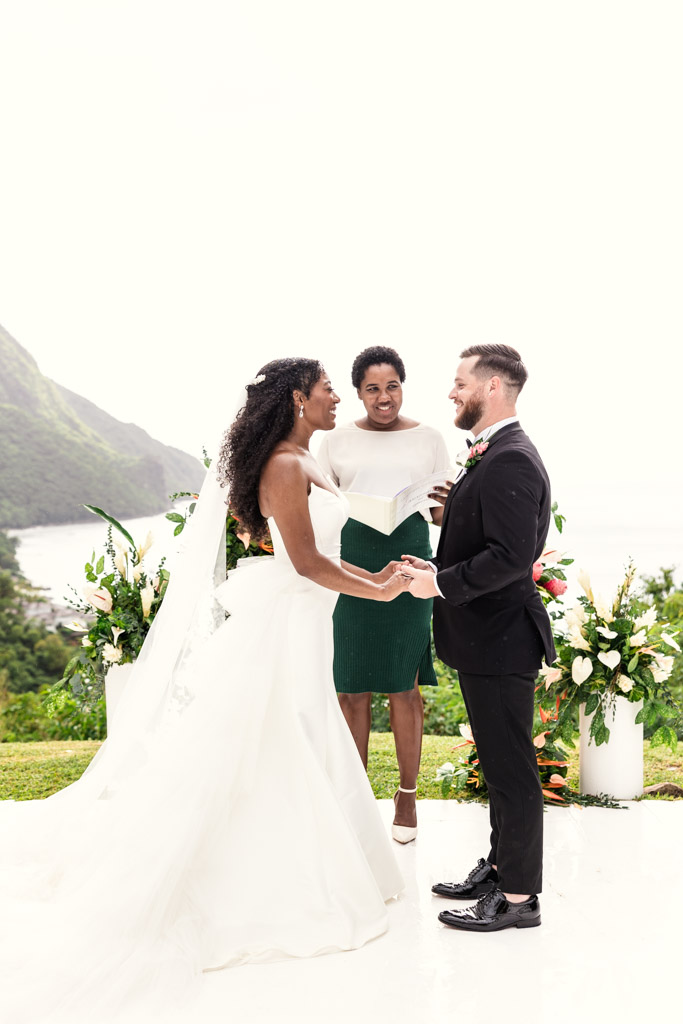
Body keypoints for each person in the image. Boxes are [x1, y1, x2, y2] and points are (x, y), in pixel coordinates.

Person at [0, 358, 408, 1022]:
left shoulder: (309, 460)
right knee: (280, 740)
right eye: (329, 387)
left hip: (307, 622)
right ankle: (272, 886)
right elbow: (303, 561)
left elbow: (310, 550)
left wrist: (378, 568)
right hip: (283, 626)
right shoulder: (282, 464)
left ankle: (336, 861)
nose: (339, 397)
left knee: (306, 735)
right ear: (298, 397)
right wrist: (382, 587)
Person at [400, 344, 555, 932]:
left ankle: (519, 900)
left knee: (512, 772)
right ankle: (499, 866)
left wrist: (435, 583)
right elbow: (493, 532)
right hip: (488, 638)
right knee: (498, 765)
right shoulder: (495, 453)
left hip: (501, 639)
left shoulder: (511, 457)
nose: (451, 392)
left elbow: (514, 557)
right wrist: (451, 520)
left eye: (460, 381)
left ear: (492, 387)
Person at [317, 346, 452, 844]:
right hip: (352, 559)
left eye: (391, 385)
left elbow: (440, 517)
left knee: (404, 685)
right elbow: (322, 509)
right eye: (372, 388)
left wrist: (447, 506)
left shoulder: (430, 439)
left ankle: (408, 795)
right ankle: (356, 800)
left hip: (411, 559)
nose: (383, 397)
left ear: (403, 385)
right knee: (350, 686)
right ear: (358, 393)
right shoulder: (334, 440)